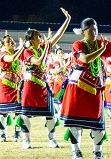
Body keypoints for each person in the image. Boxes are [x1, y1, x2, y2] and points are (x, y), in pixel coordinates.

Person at [60, 19, 111, 159]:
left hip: (95, 86)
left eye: (95, 28)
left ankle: (97, 152)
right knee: (75, 122)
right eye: (91, 29)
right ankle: (76, 152)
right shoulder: (78, 44)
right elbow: (84, 59)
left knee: (97, 122)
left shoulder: (101, 44)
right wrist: (102, 50)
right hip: (79, 86)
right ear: (83, 31)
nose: (94, 32)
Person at [18, 9, 72, 149]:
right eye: (37, 36)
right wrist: (46, 47)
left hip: (43, 85)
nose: (41, 37)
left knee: (51, 114)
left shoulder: (43, 48)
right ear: (30, 40)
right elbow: (37, 62)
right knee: (26, 114)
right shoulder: (27, 51)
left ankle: (51, 138)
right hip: (30, 84)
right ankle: (26, 140)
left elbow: (58, 35)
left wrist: (67, 20)